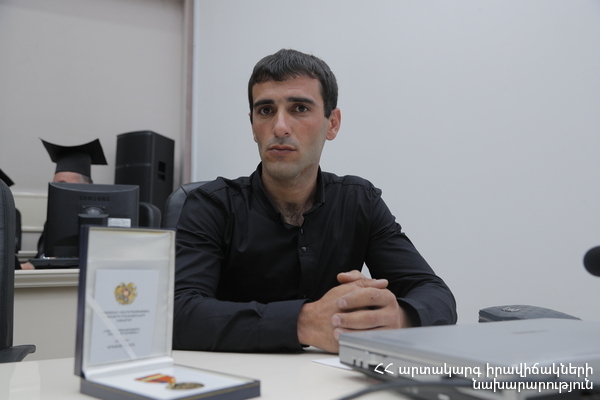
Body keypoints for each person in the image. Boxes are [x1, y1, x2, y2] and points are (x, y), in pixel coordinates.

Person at [173, 49, 457, 353]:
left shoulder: (359, 202)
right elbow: (176, 313)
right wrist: (304, 322)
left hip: (331, 378)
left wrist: (397, 318)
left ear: (332, 123)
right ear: (253, 126)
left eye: (299, 108)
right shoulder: (210, 206)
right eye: (266, 110)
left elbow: (436, 295)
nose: (280, 127)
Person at [20, 138, 107, 269]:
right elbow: (42, 256)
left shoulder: (101, 223)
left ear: (85, 187)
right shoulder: (54, 221)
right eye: (54, 185)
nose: (56, 191)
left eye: (62, 185)